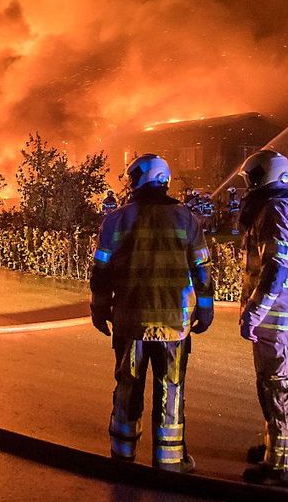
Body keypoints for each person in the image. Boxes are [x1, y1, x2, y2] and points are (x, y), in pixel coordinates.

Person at [89, 154, 214, 473]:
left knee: (128, 384)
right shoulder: (186, 219)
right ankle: (170, 461)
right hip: (174, 325)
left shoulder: (117, 220)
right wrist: (206, 308)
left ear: (138, 180)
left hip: (130, 322)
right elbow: (202, 269)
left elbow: (100, 270)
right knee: (170, 388)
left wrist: (99, 307)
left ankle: (122, 454)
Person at [237, 149, 288, 490]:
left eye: (250, 179)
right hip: (286, 316)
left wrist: (253, 313)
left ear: (261, 177)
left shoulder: (274, 211)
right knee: (274, 387)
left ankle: (284, 468)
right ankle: (274, 448)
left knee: (280, 390)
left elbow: (275, 270)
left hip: (275, 319)